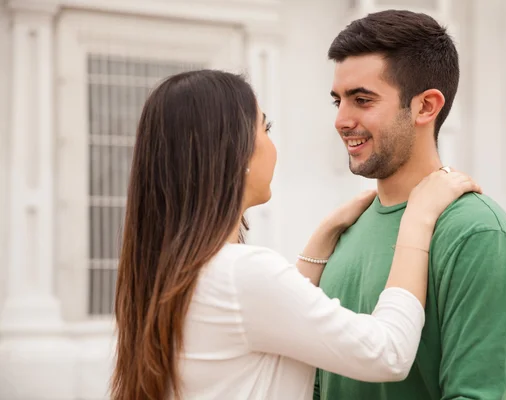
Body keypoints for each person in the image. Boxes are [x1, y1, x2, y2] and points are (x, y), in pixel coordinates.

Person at [109, 69, 480, 400]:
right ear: (235, 152)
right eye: (264, 129)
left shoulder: (170, 270)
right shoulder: (242, 273)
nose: (272, 145)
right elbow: (388, 353)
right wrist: (418, 219)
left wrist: (321, 239)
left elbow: (265, 325)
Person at [313, 9, 506, 400]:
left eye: (362, 100)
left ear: (426, 106)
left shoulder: (479, 234)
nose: (342, 120)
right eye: (338, 102)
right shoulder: (344, 232)